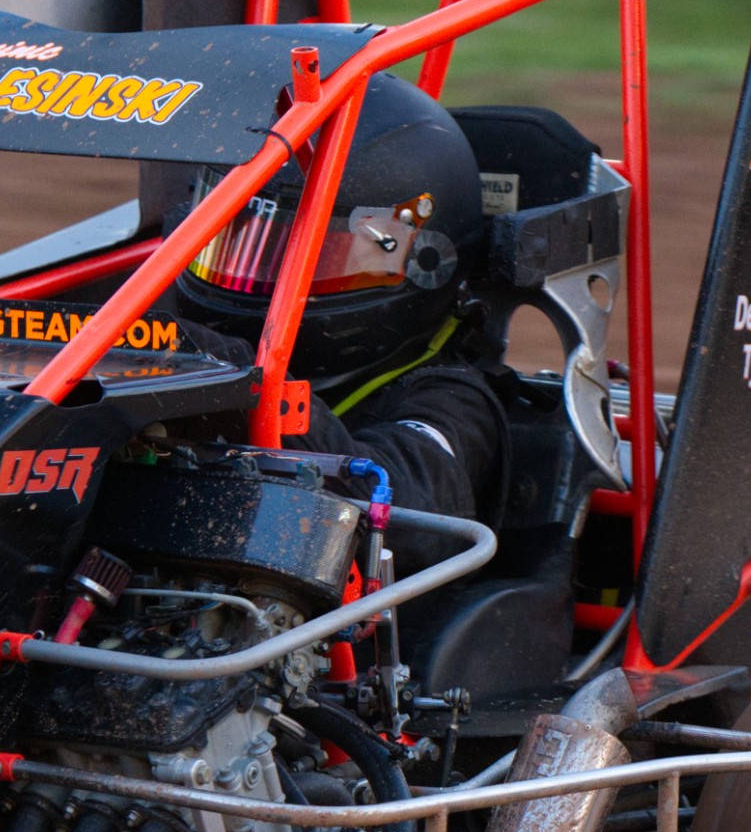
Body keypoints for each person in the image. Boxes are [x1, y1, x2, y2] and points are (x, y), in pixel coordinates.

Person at [167, 74, 518, 528]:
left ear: (425, 264)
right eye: (243, 244)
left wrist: (237, 377)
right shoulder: (183, 342)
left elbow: (407, 515)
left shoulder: (451, 400)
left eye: (317, 255)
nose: (263, 276)